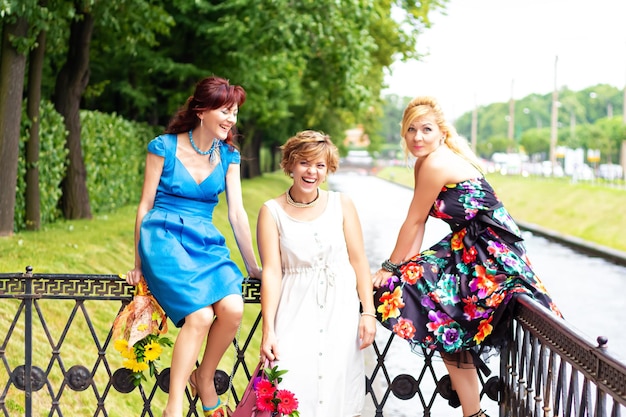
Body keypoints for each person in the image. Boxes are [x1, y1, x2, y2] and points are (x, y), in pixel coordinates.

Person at [372, 96, 562, 417]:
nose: (418, 137)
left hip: (492, 253)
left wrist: (390, 267)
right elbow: (416, 225)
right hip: (467, 246)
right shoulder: (425, 162)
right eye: (411, 130)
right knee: (439, 314)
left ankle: (478, 412)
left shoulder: (436, 162)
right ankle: (474, 413)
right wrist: (404, 270)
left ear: (441, 133)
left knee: (437, 305)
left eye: (426, 129)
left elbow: (415, 219)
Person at [125, 75, 262, 417]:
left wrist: (253, 267)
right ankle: (173, 407)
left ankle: (204, 376)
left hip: (204, 241)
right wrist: (139, 263)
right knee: (199, 316)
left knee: (233, 309)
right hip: (164, 237)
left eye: (235, 113)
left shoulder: (229, 155)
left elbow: (237, 213)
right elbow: (144, 205)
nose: (231, 119)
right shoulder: (164, 146)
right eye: (225, 111)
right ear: (201, 110)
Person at [257, 130, 377, 417]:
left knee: (337, 391)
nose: (312, 171)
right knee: (293, 387)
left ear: (328, 169)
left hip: (340, 312)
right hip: (294, 309)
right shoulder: (271, 211)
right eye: (304, 163)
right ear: (290, 164)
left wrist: (368, 313)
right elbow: (272, 272)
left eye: (320, 165)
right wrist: (268, 330)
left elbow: (359, 261)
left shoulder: (341, 204)